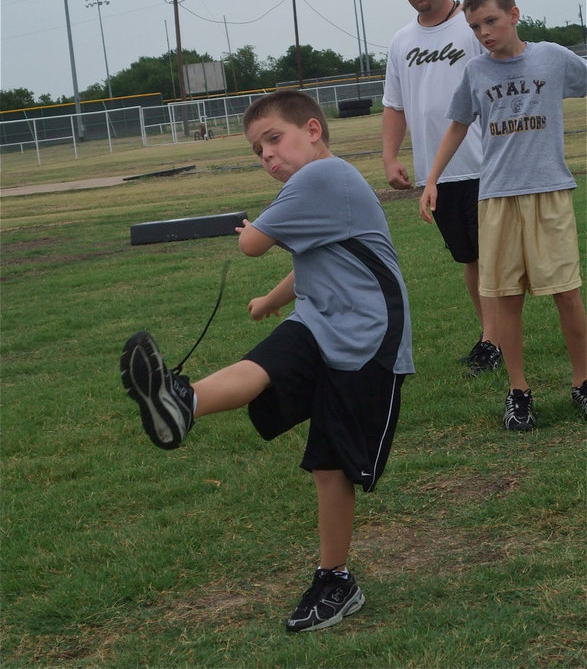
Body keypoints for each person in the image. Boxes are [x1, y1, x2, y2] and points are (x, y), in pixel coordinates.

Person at [120, 90, 414, 631]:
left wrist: (255, 230)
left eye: (274, 139)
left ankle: (337, 579)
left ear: (313, 130)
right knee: (269, 360)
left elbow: (251, 245)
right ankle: (180, 402)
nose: (267, 157)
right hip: (321, 319)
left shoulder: (322, 177)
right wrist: (271, 302)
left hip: (367, 335)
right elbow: (315, 259)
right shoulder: (320, 187)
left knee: (332, 465)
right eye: (258, 151)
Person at [419, 0, 587, 431]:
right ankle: (519, 393)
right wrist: (431, 179)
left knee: (567, 295)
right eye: (475, 26)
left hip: (548, 192)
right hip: (496, 199)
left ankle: (582, 383)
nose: (484, 33)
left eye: (491, 21)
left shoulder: (552, 57)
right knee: (507, 300)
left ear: (514, 14)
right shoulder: (476, 73)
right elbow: (456, 126)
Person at [382, 0, 500, 375]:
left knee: (492, 259)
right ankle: (490, 337)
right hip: (439, 173)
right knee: (470, 258)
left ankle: (493, 341)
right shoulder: (401, 41)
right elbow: (394, 105)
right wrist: (390, 155)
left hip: (485, 163)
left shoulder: (472, 28)